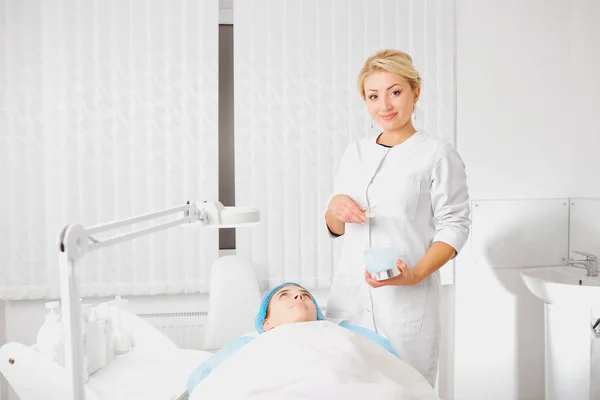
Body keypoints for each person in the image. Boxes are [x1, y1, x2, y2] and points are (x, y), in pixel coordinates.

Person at [324, 49, 471, 386]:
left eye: (395, 92)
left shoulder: (436, 154)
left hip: (406, 305)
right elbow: (335, 225)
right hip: (350, 301)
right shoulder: (355, 152)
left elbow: (456, 225)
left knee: (407, 390)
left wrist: (415, 275)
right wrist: (336, 209)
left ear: (414, 92)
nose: (384, 106)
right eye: (373, 96)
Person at [187, 282, 397, 396]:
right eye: (284, 295)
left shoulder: (343, 334)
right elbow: (205, 379)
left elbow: (387, 361)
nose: (298, 296)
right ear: (266, 322)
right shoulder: (251, 346)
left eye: (305, 295)